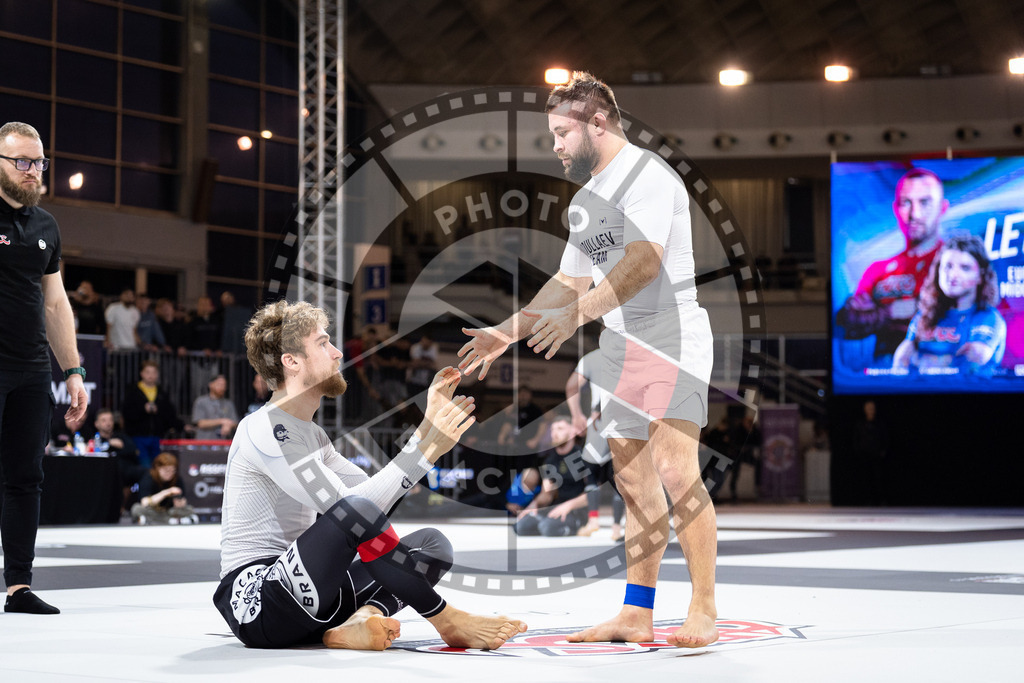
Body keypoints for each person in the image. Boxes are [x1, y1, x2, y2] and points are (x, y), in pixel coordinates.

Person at [458, 72, 718, 648]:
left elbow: (642, 263)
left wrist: (577, 315)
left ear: (596, 123)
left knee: (677, 472)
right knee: (632, 484)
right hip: (623, 342)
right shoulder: (587, 198)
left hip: (669, 332)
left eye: (561, 132)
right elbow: (566, 283)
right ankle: (637, 612)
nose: (554, 145)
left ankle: (703, 607)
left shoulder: (647, 175)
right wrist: (505, 333)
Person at [214, 300, 526, 650]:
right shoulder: (266, 428)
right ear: (291, 361)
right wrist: (425, 451)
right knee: (355, 511)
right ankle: (446, 619)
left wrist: (426, 431)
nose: (337, 353)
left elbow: (371, 504)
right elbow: (352, 508)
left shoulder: (313, 435)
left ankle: (359, 620)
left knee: (432, 544)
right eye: (323, 343)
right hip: (258, 604)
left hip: (312, 595)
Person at [0, 121, 88, 615]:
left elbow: (55, 304)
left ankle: (19, 587)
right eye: (21, 161)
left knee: (25, 477)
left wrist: (72, 370)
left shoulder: (45, 226)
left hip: (32, 368)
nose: (32, 170)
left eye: (38, 162)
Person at [837, 168, 948, 365]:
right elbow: (847, 324)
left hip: (942, 373)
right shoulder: (878, 270)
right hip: (885, 376)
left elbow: (953, 312)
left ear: (943, 208)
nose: (915, 214)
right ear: (896, 209)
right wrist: (894, 311)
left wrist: (878, 314)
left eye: (925, 202)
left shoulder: (957, 263)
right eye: (906, 203)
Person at [893, 232, 1006, 374]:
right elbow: (901, 361)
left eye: (965, 268)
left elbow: (970, 364)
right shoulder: (926, 315)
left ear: (981, 277)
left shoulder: (989, 318)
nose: (952, 275)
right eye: (947, 266)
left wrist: (919, 360)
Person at [566, 348, 624, 540]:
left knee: (591, 474)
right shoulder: (631, 353)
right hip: (624, 422)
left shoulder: (591, 358)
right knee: (620, 477)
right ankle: (616, 527)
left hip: (598, 421)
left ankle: (593, 521)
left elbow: (571, 386)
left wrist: (576, 415)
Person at [514, 416, 594, 537]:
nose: (555, 433)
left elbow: (593, 493)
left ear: (572, 431)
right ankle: (548, 523)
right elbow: (547, 494)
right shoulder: (550, 460)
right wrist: (534, 505)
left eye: (560, 428)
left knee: (547, 528)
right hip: (555, 508)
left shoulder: (583, 457)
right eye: (552, 429)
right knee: (520, 527)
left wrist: (568, 506)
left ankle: (574, 527)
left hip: (577, 511)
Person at [122, 360, 183, 466]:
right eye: (148, 372)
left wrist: (181, 425)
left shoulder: (162, 393)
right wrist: (142, 409)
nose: (151, 375)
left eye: (154, 372)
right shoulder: (133, 391)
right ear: (142, 374)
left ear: (157, 374)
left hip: (157, 436)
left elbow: (169, 413)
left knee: (158, 466)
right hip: (138, 436)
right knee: (144, 466)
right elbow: (126, 412)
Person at [130, 452, 197, 525]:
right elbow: (144, 502)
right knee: (136, 508)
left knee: (189, 509)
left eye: (172, 471)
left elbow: (183, 501)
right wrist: (166, 493)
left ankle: (156, 520)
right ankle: (171, 521)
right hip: (154, 511)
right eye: (166, 470)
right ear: (158, 468)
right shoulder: (149, 477)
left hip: (170, 511)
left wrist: (180, 503)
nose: (170, 474)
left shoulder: (176, 479)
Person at [853, 400, 888, 506]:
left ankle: (880, 500)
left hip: (877, 456)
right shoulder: (860, 424)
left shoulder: (880, 424)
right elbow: (856, 439)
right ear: (865, 410)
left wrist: (883, 451)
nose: (871, 411)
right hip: (864, 456)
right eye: (869, 408)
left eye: (872, 408)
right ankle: (866, 501)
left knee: (878, 479)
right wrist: (859, 451)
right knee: (865, 480)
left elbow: (885, 439)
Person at [191, 373, 239, 440]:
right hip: (204, 442)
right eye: (219, 384)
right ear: (211, 385)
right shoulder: (201, 401)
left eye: (224, 385)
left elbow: (235, 422)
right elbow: (200, 423)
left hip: (223, 443)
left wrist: (229, 425)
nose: (222, 387)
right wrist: (221, 421)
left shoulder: (229, 403)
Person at [406, 332, 439, 398]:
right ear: (422, 340)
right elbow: (415, 364)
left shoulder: (434, 347)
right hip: (414, 380)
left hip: (427, 381)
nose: (425, 345)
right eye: (424, 342)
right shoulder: (415, 347)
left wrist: (420, 363)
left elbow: (433, 364)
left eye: (427, 343)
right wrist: (427, 363)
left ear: (430, 343)